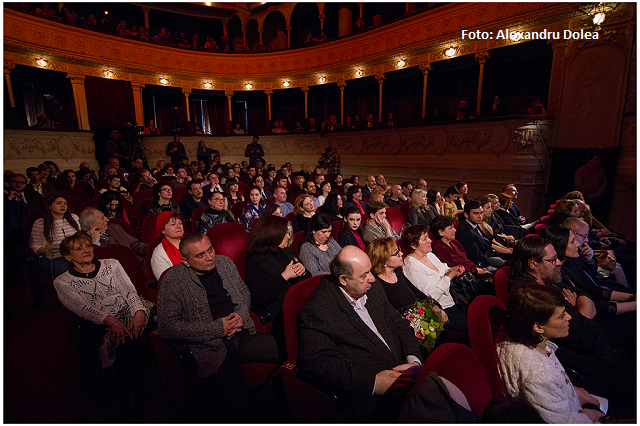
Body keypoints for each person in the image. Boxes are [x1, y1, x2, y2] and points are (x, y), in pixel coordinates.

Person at [157, 233, 279, 422]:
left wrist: (241, 315)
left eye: (210, 250)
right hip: (211, 349)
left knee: (291, 356)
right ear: (186, 261)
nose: (209, 257)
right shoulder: (173, 280)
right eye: (200, 255)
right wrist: (217, 328)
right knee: (242, 408)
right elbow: (167, 327)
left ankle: (263, 400)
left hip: (243, 335)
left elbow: (243, 291)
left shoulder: (224, 263)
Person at [297, 246, 426, 422]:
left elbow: (398, 322)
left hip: (407, 375)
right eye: (364, 275)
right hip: (369, 399)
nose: (372, 279)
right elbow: (316, 364)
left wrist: (413, 360)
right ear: (343, 279)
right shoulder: (318, 309)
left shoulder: (371, 287)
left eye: (370, 271)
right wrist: (373, 383)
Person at [506, 236, 622, 404]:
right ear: (533, 263)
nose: (559, 262)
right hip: (580, 360)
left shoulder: (545, 280)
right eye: (552, 260)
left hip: (589, 347)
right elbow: (583, 332)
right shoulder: (533, 296)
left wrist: (578, 309)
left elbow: (583, 293)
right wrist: (576, 309)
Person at [54, 233, 155, 412]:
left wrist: (138, 311)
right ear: (68, 256)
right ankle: (130, 394)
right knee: (124, 340)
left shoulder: (112, 264)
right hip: (101, 324)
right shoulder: (63, 282)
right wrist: (110, 320)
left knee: (167, 319)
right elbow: (83, 309)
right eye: (79, 248)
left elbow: (130, 291)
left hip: (133, 310)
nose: (86, 250)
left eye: (87, 245)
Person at [496, 285, 603, 423]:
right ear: (538, 327)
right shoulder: (538, 374)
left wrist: (574, 392)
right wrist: (587, 417)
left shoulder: (519, 331)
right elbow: (562, 422)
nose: (569, 317)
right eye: (561, 315)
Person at [244, 215, 308, 357]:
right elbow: (261, 297)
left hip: (300, 301)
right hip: (280, 311)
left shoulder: (286, 252)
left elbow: (306, 279)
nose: (288, 236)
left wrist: (303, 271)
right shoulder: (254, 261)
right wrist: (284, 276)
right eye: (284, 233)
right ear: (272, 235)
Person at [401, 225, 468, 332]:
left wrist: (453, 269)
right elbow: (429, 296)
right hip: (442, 308)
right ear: (414, 245)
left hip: (455, 297)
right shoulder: (412, 265)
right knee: (471, 327)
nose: (430, 241)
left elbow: (443, 269)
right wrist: (449, 277)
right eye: (425, 239)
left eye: (428, 237)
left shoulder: (429, 255)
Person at [366, 237, 437, 315]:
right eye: (396, 253)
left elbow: (417, 293)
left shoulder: (397, 272)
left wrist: (434, 306)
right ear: (384, 261)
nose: (401, 254)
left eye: (399, 250)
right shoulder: (377, 284)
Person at [29, 196, 80, 278]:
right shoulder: (40, 223)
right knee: (61, 264)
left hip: (73, 253)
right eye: (59, 203)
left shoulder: (74, 217)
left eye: (65, 204)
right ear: (49, 206)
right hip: (52, 257)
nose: (63, 206)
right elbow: (34, 247)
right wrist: (54, 248)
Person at [456, 200, 508, 272]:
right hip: (479, 264)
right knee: (506, 265)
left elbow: (487, 243)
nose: (480, 216)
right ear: (466, 215)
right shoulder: (465, 231)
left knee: (510, 261)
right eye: (476, 213)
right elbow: (476, 257)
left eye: (481, 213)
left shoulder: (474, 225)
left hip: (486, 257)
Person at [78, 207, 147, 259]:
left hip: (135, 264)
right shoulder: (81, 240)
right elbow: (97, 260)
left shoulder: (114, 228)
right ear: (92, 225)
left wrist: (153, 247)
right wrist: (95, 243)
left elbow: (135, 246)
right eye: (102, 218)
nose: (107, 220)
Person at [150, 212, 184, 280]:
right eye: (173, 224)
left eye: (180, 223)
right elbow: (166, 282)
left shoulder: (192, 243)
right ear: (163, 231)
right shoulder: (159, 254)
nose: (178, 226)